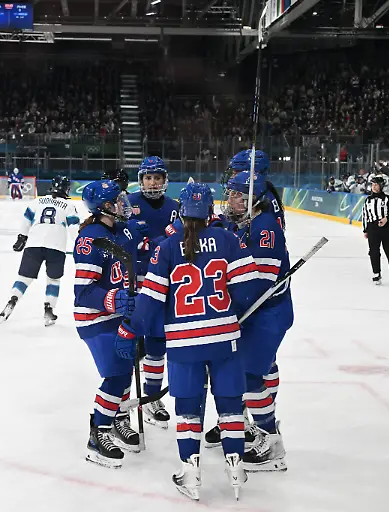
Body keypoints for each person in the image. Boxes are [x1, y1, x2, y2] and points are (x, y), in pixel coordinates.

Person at [115, 182, 249, 500]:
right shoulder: (229, 239)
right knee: (230, 404)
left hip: (183, 344)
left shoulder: (167, 247)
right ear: (211, 209)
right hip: (225, 340)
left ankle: (191, 472)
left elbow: (150, 301)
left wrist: (130, 328)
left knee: (188, 408)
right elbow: (247, 291)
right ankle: (236, 465)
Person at [221, 171, 294, 471]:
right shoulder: (248, 222)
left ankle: (271, 441)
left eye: (239, 195)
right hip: (259, 314)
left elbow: (258, 285)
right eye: (233, 194)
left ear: (255, 200)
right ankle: (260, 429)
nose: (232, 200)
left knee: (251, 377)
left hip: (267, 314)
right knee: (252, 374)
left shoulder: (265, 228)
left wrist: (227, 310)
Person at [75, 179, 140, 468]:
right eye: (116, 201)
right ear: (103, 207)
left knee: (125, 370)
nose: (122, 204)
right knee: (116, 374)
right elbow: (83, 292)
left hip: (118, 315)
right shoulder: (90, 239)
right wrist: (114, 299)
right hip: (95, 318)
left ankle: (118, 417)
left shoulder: (122, 229)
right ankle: (97, 434)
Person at [127, 157, 180, 428]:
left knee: (157, 341)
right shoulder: (127, 202)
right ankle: (119, 402)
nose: (152, 182)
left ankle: (151, 397)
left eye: (157, 177)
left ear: (165, 180)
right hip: (136, 282)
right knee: (129, 345)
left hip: (168, 282)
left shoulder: (176, 207)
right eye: (148, 177)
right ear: (141, 180)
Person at [0, 176, 79, 326]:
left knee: (24, 277)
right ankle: (49, 308)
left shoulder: (37, 202)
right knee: (53, 279)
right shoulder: (68, 205)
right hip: (56, 247)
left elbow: (26, 220)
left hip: (34, 244)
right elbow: (74, 228)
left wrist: (22, 238)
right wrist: (80, 245)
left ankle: (13, 299)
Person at [362, 176, 389, 284]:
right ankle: (376, 274)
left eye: (376, 184)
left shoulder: (388, 199)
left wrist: (386, 219)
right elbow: (365, 216)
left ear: (381, 186)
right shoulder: (368, 200)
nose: (374, 187)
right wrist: (365, 230)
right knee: (373, 252)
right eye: (372, 184)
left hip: (387, 228)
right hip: (372, 228)